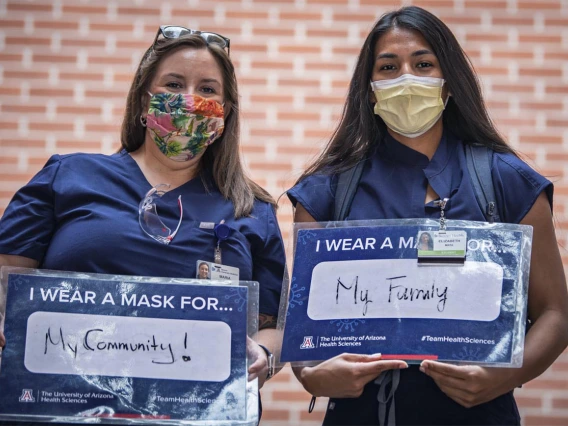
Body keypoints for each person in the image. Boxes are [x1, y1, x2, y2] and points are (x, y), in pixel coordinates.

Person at [287, 6, 568, 426]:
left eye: (423, 64)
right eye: (388, 67)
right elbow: (307, 326)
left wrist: (506, 374)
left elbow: (556, 313)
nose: (406, 78)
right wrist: (312, 375)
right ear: (369, 88)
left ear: (449, 81)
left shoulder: (507, 180)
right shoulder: (327, 190)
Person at [0, 26, 284, 396]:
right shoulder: (69, 175)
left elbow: (274, 327)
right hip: (64, 401)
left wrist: (263, 355)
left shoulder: (252, 209)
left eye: (208, 90)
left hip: (195, 411)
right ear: (144, 100)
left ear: (225, 113)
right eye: (174, 84)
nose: (189, 100)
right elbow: (6, 284)